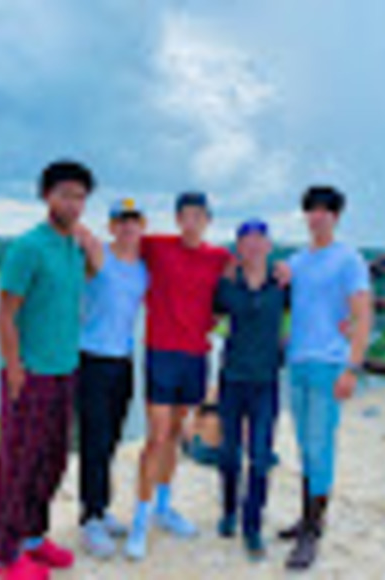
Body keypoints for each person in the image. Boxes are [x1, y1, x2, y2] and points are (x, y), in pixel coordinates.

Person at [0, 161, 96, 580]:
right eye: (66, 194)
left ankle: (32, 538)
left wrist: (92, 246)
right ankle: (4, 554)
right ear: (47, 196)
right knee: (18, 466)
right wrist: (14, 369)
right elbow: (5, 314)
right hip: (31, 374)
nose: (74, 204)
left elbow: (94, 272)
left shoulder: (73, 248)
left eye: (80, 196)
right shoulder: (28, 248)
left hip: (66, 371)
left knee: (51, 462)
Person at [124, 192, 234, 561]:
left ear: (207, 221)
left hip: (196, 356)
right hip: (161, 352)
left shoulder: (219, 257)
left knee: (174, 434)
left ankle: (163, 506)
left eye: (198, 216)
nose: (191, 222)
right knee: (156, 437)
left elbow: (246, 275)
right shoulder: (157, 247)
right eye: (185, 216)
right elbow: (119, 244)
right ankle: (140, 518)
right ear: (177, 219)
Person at [278, 186, 373, 571]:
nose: (317, 217)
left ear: (336, 217)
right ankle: (307, 517)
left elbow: (363, 315)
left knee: (320, 446)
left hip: (329, 365)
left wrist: (352, 367)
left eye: (324, 211)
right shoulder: (296, 261)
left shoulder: (349, 259)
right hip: (297, 363)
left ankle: (312, 532)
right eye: (311, 210)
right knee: (305, 444)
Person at [75, 199, 149, 558]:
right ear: (111, 226)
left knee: (111, 440)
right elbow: (73, 229)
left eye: (133, 221)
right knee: (94, 439)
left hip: (123, 361)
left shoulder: (143, 268)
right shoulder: (97, 255)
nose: (127, 227)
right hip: (91, 359)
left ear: (142, 226)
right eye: (121, 221)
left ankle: (101, 508)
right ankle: (89, 517)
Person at [213, 219, 290, 561]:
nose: (254, 246)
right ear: (239, 248)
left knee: (260, 457)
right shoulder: (227, 285)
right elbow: (209, 315)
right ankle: (229, 510)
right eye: (246, 240)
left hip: (266, 383)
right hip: (232, 380)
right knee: (229, 454)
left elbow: (308, 313)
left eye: (260, 239)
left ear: (269, 246)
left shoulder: (283, 283)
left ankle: (252, 526)